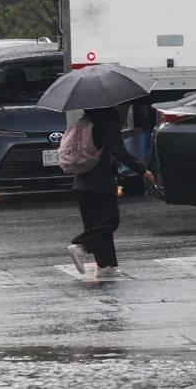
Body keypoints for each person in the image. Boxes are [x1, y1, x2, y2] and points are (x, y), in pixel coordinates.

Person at [66, 106, 156, 280]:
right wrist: (142, 170)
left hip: (82, 182)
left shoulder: (84, 122)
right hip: (100, 182)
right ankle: (82, 246)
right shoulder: (107, 122)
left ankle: (105, 265)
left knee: (96, 227)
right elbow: (120, 151)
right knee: (110, 221)